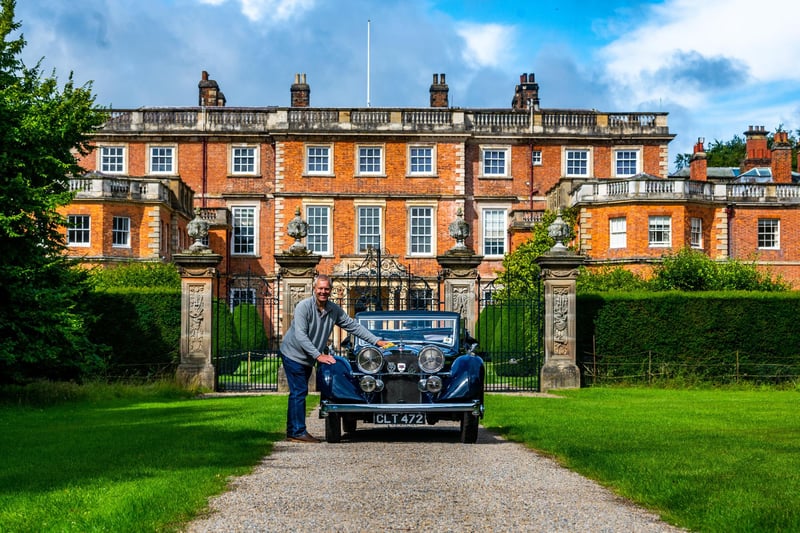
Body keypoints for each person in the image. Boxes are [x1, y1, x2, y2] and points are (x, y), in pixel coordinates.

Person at [279, 274, 390, 443]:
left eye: (326, 289)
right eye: (320, 289)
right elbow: (301, 335)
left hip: (307, 356)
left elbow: (352, 326)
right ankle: (297, 432)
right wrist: (318, 355)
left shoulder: (333, 309)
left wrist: (376, 341)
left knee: (299, 391)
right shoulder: (304, 306)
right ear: (314, 289)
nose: (323, 292)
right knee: (299, 391)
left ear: (330, 290)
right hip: (293, 353)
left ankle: (293, 431)